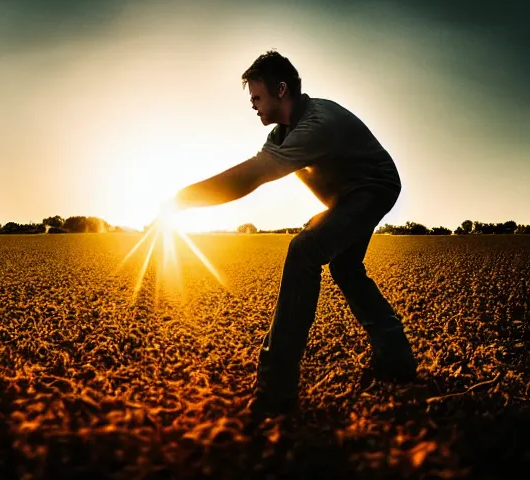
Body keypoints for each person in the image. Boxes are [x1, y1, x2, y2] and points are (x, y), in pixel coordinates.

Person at [159, 51, 417, 418]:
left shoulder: (317, 123)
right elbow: (254, 170)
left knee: (305, 250)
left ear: (281, 90)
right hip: (345, 196)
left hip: (372, 188)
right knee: (345, 267)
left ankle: (276, 388)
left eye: (257, 98)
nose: (253, 106)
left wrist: (182, 198)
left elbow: (253, 175)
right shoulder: (282, 134)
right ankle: (397, 359)